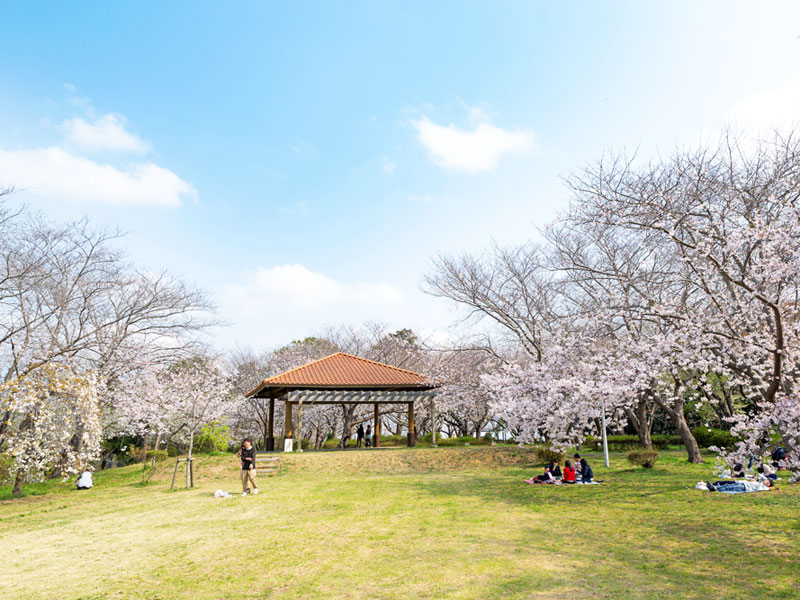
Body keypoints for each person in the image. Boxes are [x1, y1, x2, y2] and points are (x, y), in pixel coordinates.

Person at [706, 479, 773, 493]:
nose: (767, 482)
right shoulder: (759, 482)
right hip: (743, 483)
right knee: (729, 485)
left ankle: (715, 489)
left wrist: (769, 488)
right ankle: (714, 487)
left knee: (730, 488)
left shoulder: (763, 486)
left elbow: (761, 489)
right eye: (768, 481)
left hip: (745, 487)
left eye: (768, 483)